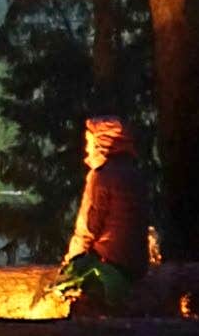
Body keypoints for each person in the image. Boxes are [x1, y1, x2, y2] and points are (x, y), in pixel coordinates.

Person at [63, 115, 150, 280]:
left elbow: (88, 226)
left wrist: (72, 262)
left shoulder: (101, 176)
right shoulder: (136, 174)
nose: (87, 149)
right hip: (137, 267)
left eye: (89, 143)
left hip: (108, 265)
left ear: (100, 143)